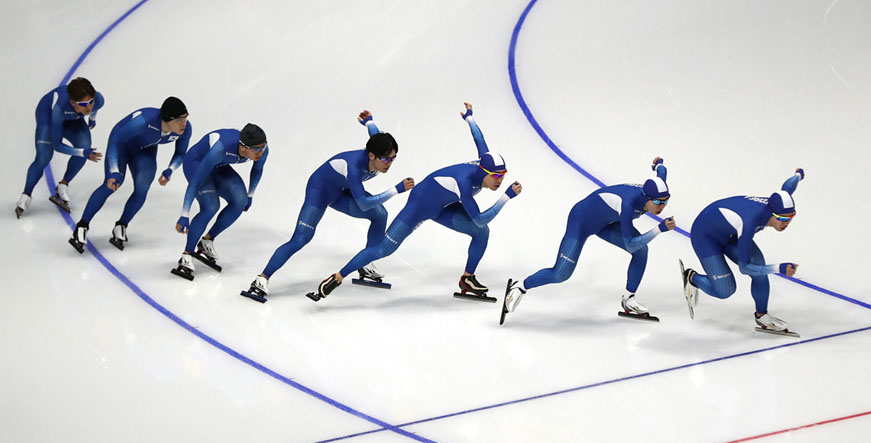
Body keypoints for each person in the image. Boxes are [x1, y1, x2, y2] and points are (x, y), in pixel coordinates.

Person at [307, 102, 522, 302]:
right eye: (496, 176)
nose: (500, 180)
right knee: (384, 249)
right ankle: (337, 277)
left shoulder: (484, 162)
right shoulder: (463, 184)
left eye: (503, 175)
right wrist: (506, 197)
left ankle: (467, 279)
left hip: (445, 206)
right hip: (420, 205)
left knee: (482, 233)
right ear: (484, 172)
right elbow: (480, 218)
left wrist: (470, 119)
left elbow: (479, 139)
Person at [242, 110, 414, 303]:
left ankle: (366, 264)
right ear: (372, 155)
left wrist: (369, 123)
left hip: (341, 190)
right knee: (301, 238)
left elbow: (375, 134)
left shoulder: (376, 147)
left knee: (380, 215)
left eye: (393, 158)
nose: (389, 164)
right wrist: (396, 189)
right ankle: (261, 279)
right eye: (386, 159)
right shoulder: (353, 168)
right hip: (320, 191)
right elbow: (364, 204)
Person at [501, 157, 676, 324]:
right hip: (581, 222)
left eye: (665, 202)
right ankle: (520, 286)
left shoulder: (657, 190)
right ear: (646, 197)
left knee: (641, 251)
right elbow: (631, 244)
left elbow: (662, 173)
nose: (662, 206)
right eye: (657, 202)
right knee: (560, 274)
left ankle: (628, 299)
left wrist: (658, 164)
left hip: (606, 222)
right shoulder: (627, 205)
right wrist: (659, 229)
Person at [679, 168, 804, 333]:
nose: (786, 223)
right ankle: (692, 278)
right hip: (705, 236)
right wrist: (778, 268)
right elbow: (744, 268)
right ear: (771, 213)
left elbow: (787, 188)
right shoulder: (749, 223)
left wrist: (798, 175)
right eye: (781, 218)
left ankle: (762, 316)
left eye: (790, 218)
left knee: (760, 270)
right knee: (725, 290)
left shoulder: (777, 203)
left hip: (729, 233)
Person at [68, 97, 191, 253]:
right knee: (111, 185)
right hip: (121, 147)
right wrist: (114, 171)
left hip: (145, 150)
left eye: (185, 118)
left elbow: (180, 153)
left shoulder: (186, 129)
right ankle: (82, 225)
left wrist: (170, 170)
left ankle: (121, 225)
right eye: (179, 120)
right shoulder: (143, 121)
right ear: (167, 119)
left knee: (142, 189)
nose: (184, 124)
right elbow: (115, 141)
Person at [171, 123, 268, 281]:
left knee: (240, 201)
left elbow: (257, 170)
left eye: (263, 147)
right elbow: (195, 182)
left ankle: (207, 240)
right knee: (211, 206)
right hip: (197, 163)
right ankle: (187, 254)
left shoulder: (262, 150)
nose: (261, 152)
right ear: (242, 147)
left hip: (219, 166)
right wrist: (184, 214)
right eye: (257, 149)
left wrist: (250, 195)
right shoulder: (221, 148)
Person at [16, 77, 105, 217]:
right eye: (83, 104)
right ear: (73, 102)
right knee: (44, 157)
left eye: (91, 102)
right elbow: (57, 145)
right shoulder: (59, 109)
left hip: (73, 120)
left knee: (84, 146)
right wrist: (82, 153)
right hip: (48, 117)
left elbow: (95, 108)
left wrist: (92, 119)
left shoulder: (98, 99)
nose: (88, 107)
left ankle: (63, 184)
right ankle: (26, 194)